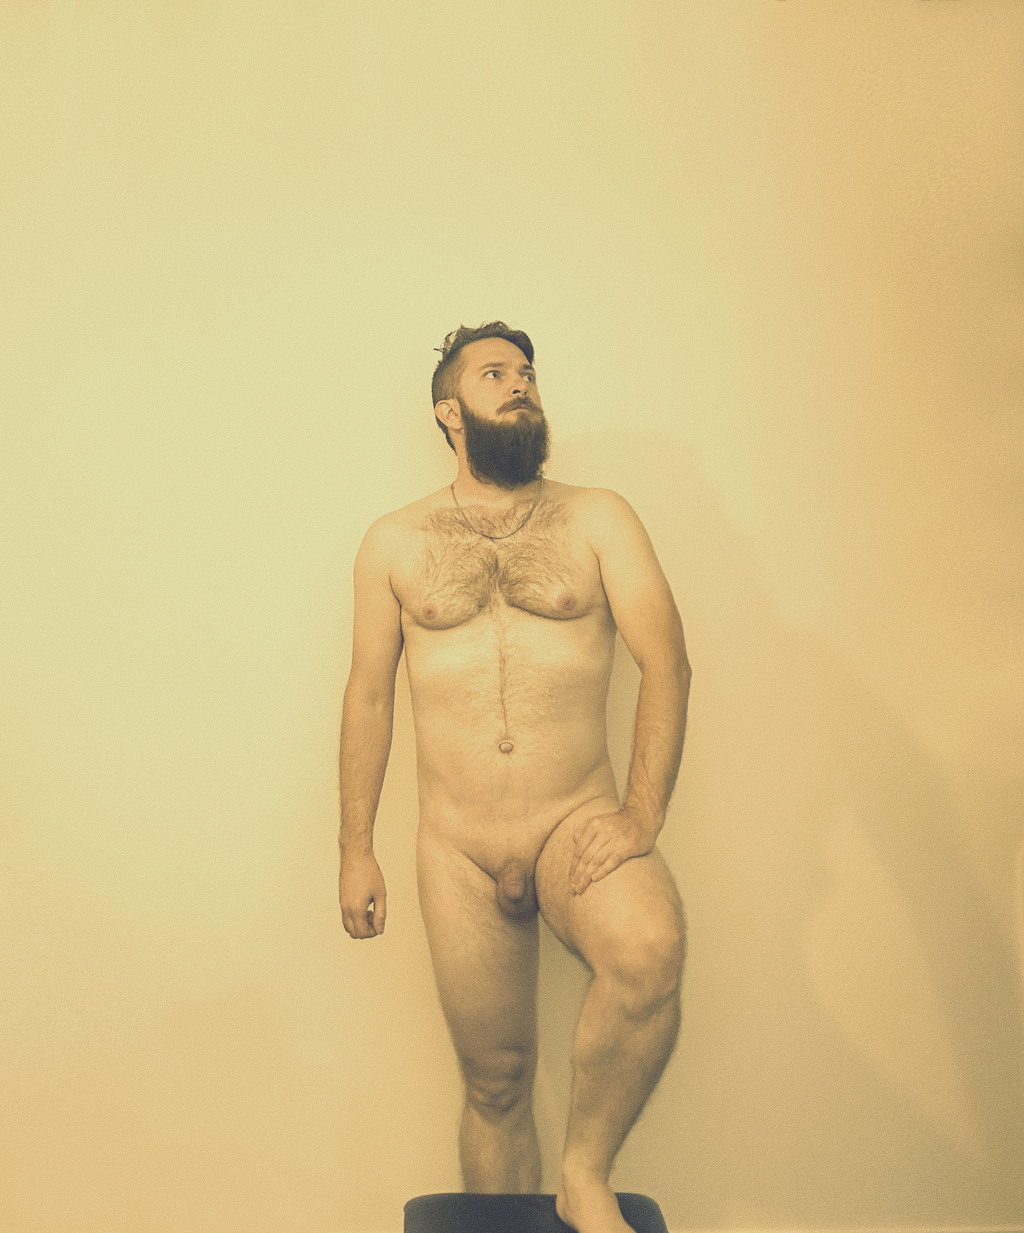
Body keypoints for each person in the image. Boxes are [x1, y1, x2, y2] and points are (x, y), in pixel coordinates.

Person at [338, 322, 689, 1233]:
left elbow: (666, 660)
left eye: (526, 371)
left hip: (574, 819)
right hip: (457, 844)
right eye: (494, 372)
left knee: (649, 951)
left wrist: (641, 813)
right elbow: (369, 698)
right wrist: (355, 850)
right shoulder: (392, 542)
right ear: (449, 411)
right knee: (495, 1083)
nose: (520, 383)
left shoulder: (598, 518)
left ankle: (584, 1174)